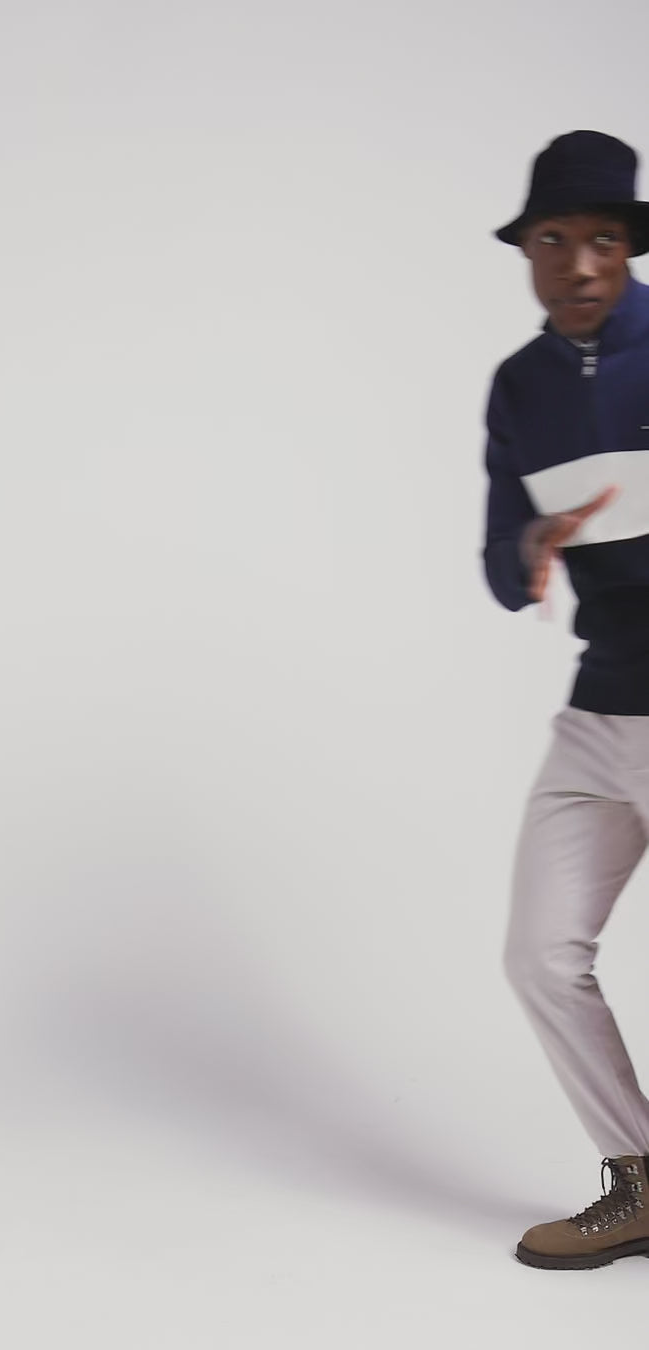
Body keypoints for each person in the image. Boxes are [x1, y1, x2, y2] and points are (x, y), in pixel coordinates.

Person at [484, 129, 649, 1270]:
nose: (580, 263)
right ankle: (639, 1178)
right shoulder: (520, 387)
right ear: (529, 250)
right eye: (554, 238)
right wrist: (533, 545)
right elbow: (500, 567)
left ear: (629, 245)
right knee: (541, 954)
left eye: (603, 237)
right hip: (598, 713)